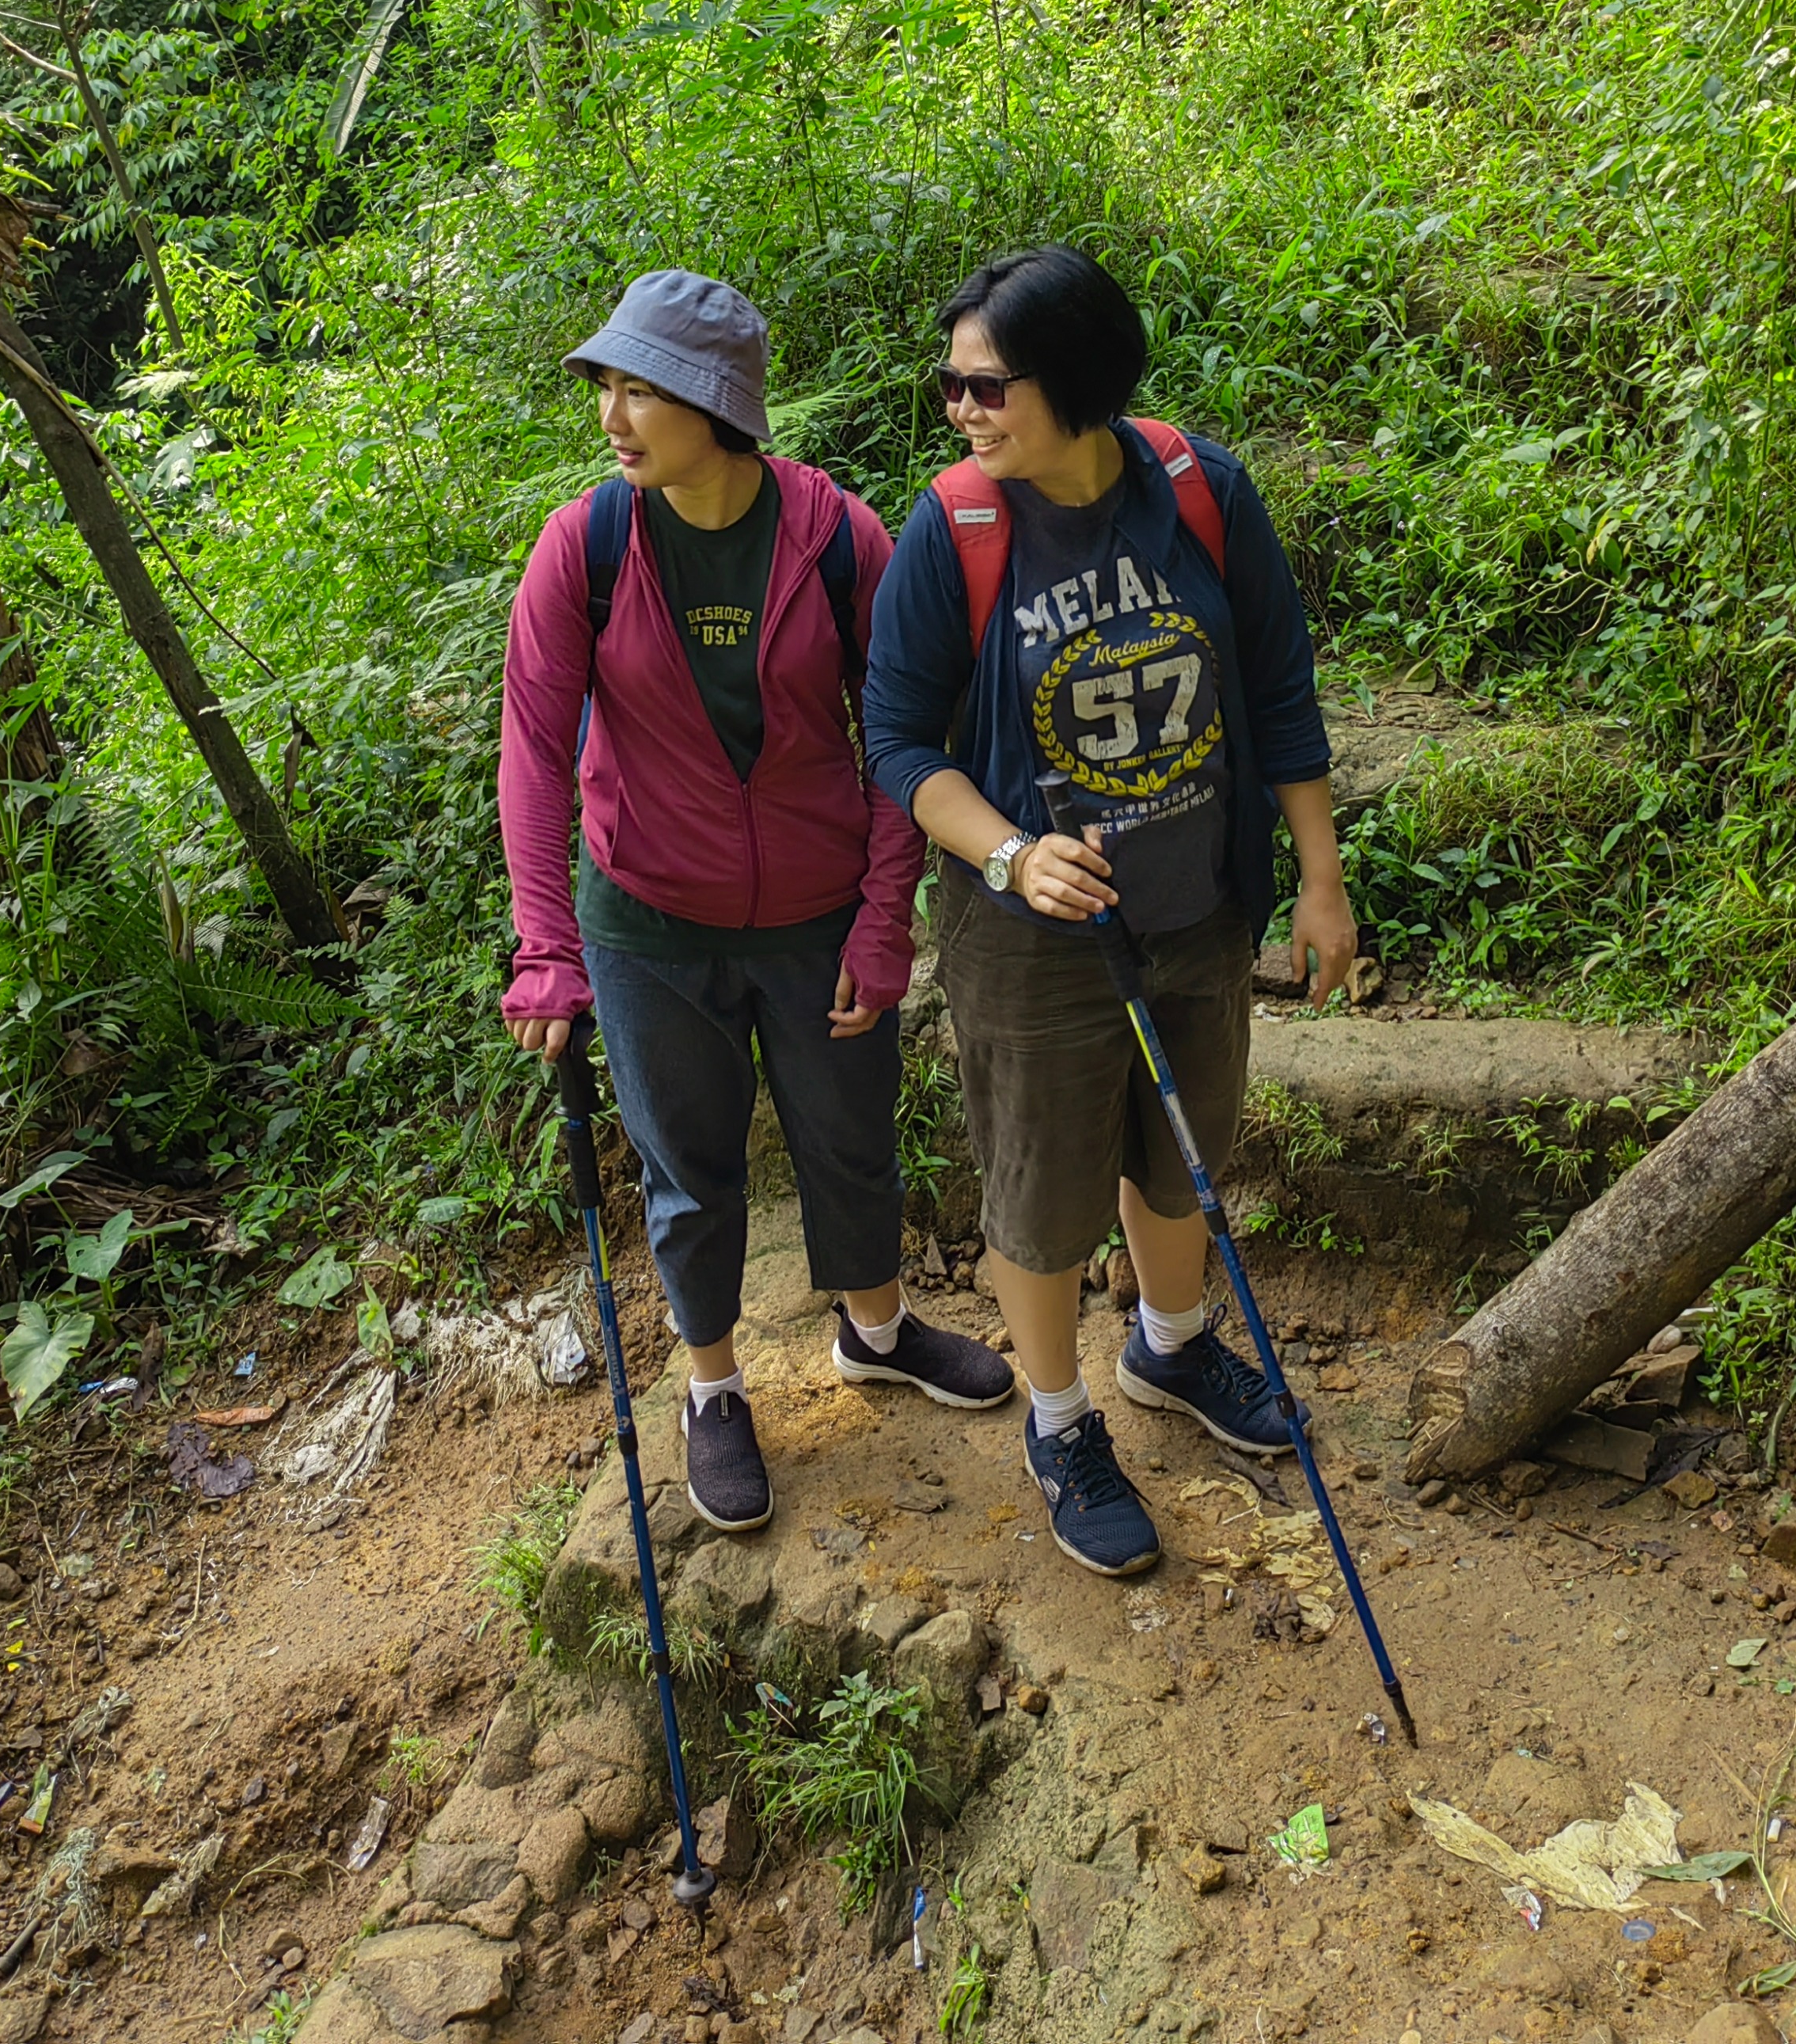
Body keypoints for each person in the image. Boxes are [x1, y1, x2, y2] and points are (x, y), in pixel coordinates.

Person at [863, 244, 1356, 1579]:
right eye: (952, 385)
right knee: (1043, 1187)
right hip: (1031, 941)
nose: (960, 409)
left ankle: (1173, 1348)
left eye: (986, 385)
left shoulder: (1199, 492)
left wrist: (1318, 876)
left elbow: (1276, 690)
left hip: (1199, 905)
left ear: (1072, 382)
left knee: (1180, 1144)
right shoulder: (956, 528)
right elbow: (900, 743)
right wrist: (1013, 853)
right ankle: (1062, 1419)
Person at [499, 268, 1012, 1534]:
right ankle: (712, 1384)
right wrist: (546, 948)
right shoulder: (589, 544)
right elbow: (532, 747)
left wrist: (886, 918)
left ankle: (876, 1330)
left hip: (818, 910)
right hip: (647, 921)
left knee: (850, 1132)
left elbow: (901, 737)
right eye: (606, 388)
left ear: (715, 403)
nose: (613, 417)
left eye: (640, 391)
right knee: (689, 1164)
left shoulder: (838, 538)